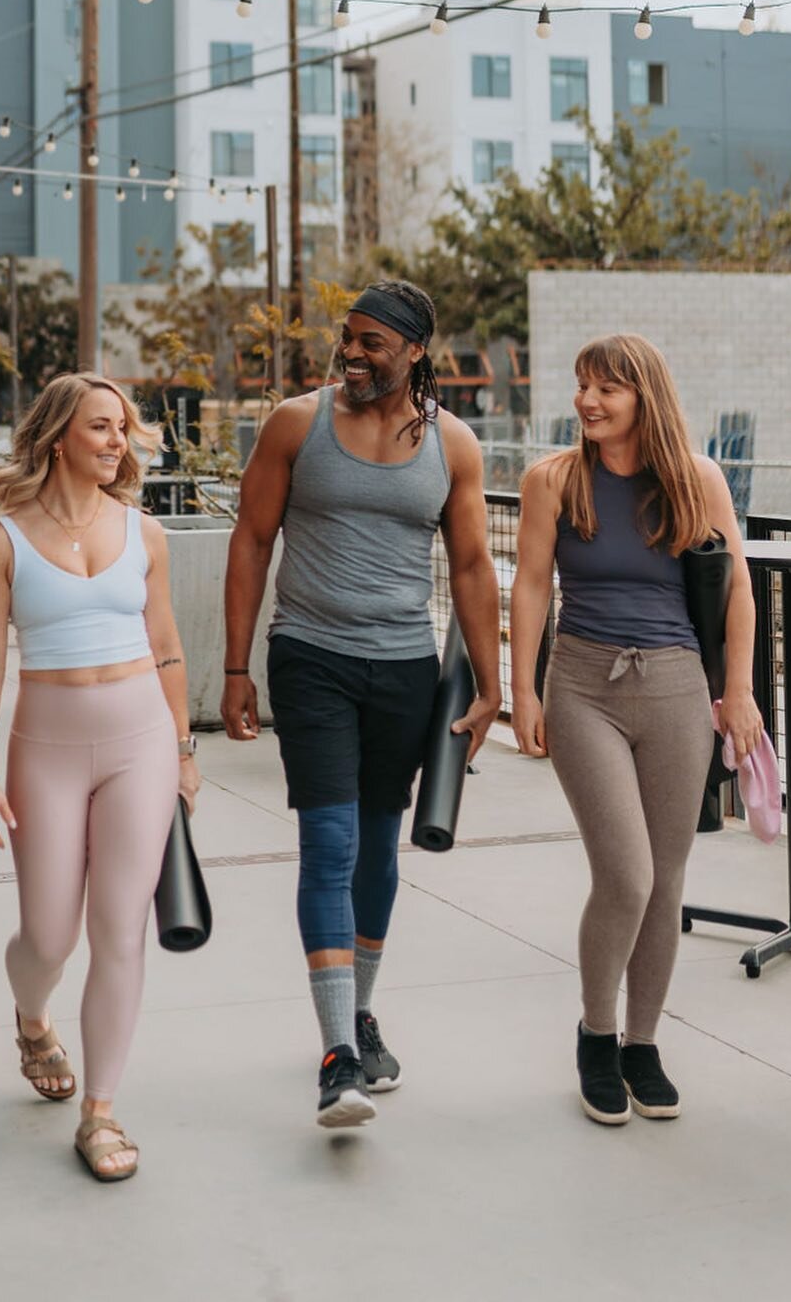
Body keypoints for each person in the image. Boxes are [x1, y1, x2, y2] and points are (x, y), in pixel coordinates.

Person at [221, 279, 501, 1128]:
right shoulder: (294, 424)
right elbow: (251, 539)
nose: (352, 352)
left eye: (372, 341)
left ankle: (359, 1015)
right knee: (330, 841)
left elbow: (471, 566)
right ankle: (337, 1051)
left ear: (415, 350)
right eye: (348, 337)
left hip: (404, 667)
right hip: (310, 657)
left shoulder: (451, 445)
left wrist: (494, 685)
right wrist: (235, 667)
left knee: (380, 848)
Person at [510, 333, 762, 1125]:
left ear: (643, 396)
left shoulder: (696, 479)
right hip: (583, 684)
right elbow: (528, 587)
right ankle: (596, 1030)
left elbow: (737, 591)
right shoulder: (552, 479)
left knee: (667, 877)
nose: (586, 400)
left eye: (605, 389)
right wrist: (522, 688)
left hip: (677, 686)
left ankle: (641, 1043)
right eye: (582, 384)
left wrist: (740, 690)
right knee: (625, 874)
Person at [0, 372, 201, 1183]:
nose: (118, 443)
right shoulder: (0, 538)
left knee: (119, 930)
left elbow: (165, 645)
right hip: (46, 748)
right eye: (102, 427)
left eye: (124, 429)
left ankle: (100, 1111)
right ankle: (32, 1016)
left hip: (140, 739)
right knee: (49, 935)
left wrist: (183, 750)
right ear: (60, 433)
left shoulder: (143, 531)